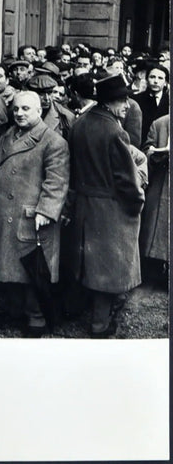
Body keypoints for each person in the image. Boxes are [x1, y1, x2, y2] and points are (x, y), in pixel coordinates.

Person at [0, 91, 70, 337]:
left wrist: (46, 211)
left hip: (31, 218)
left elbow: (57, 181)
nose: (19, 113)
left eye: (26, 109)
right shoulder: (8, 135)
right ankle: (17, 311)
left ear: (39, 111)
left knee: (33, 271)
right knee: (12, 269)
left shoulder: (53, 141)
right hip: (6, 212)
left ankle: (36, 319)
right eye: (16, 108)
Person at [68, 73, 145, 337]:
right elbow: (126, 179)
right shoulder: (115, 131)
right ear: (109, 103)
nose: (126, 106)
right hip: (111, 209)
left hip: (84, 204)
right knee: (108, 269)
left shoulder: (79, 124)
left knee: (89, 265)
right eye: (122, 100)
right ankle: (99, 325)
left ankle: (85, 311)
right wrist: (136, 204)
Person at [139, 114, 169, 287]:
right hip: (160, 185)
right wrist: (156, 154)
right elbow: (145, 153)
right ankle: (156, 270)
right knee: (156, 230)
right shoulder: (159, 124)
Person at [27, 74, 75, 140]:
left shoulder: (65, 116)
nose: (46, 98)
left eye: (49, 93)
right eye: (41, 94)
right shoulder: (22, 111)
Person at [134, 64, 169, 142]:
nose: (156, 81)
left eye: (160, 78)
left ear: (166, 82)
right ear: (146, 79)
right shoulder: (136, 100)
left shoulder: (169, 101)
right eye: (152, 77)